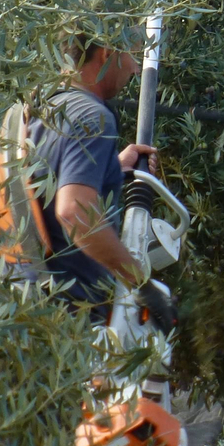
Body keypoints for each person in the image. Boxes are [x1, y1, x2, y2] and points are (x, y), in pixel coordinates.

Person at [24, 37, 162, 324]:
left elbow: (49, 180)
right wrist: (142, 284)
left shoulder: (39, 107)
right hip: (68, 320)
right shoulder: (93, 117)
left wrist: (110, 169)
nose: (135, 69)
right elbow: (74, 212)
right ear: (107, 53)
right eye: (133, 56)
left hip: (24, 304)